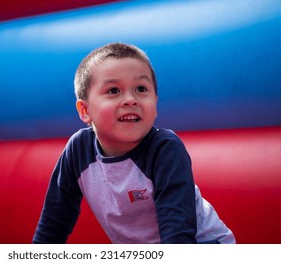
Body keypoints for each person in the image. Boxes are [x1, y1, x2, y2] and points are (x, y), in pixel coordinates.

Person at [33, 42, 235, 244]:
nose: (130, 100)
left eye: (141, 89)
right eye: (113, 90)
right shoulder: (78, 150)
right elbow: (54, 222)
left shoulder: (164, 148)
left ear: (155, 104)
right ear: (85, 111)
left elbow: (178, 233)